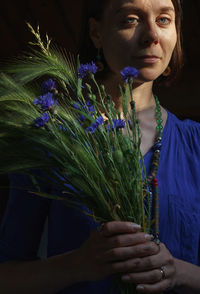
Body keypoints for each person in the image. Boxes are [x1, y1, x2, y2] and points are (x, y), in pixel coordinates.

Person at [0, 0, 200, 293]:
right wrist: (77, 265)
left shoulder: (195, 145)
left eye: (164, 20)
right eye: (131, 20)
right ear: (96, 33)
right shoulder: (54, 140)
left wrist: (180, 273)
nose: (152, 35)